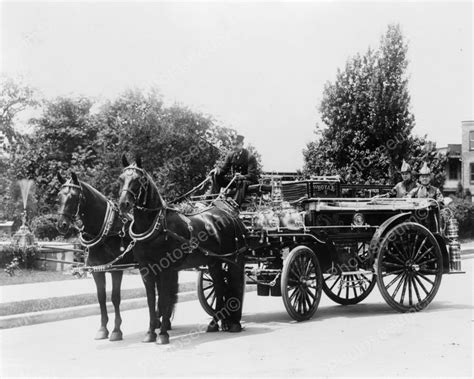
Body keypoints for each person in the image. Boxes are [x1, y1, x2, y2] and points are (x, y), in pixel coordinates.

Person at [209, 134, 258, 205]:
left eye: (237, 144)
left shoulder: (249, 157)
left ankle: (234, 204)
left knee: (242, 182)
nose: (235, 147)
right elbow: (224, 170)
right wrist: (217, 170)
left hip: (247, 182)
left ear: (242, 144)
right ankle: (211, 200)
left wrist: (242, 176)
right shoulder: (230, 156)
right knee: (216, 175)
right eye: (233, 144)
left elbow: (252, 175)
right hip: (235, 182)